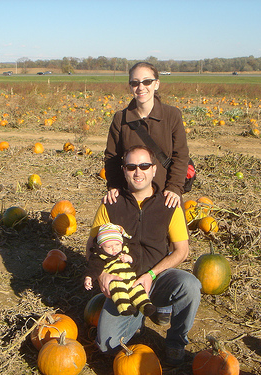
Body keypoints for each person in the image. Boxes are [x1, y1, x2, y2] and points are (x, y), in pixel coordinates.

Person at [86, 145, 201, 366]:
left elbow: (182, 251)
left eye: (144, 166)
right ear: (124, 170)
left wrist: (151, 274)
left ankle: (176, 342)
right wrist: (102, 276)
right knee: (107, 346)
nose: (138, 172)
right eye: (131, 167)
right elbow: (92, 247)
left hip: (157, 278)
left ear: (154, 169)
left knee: (190, 285)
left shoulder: (170, 205)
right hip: (124, 285)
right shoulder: (110, 204)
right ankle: (138, 316)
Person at [103, 61, 190, 209]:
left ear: (156, 84)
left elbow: (181, 156)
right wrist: (115, 186)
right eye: (135, 83)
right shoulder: (120, 118)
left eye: (147, 81)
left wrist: (174, 188)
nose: (141, 87)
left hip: (166, 196)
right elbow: (112, 157)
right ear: (130, 86)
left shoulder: (172, 115)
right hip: (131, 198)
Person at [84, 223, 156, 317]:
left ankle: (145, 306)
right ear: (101, 246)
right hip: (116, 279)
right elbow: (94, 268)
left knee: (138, 290)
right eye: (109, 247)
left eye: (117, 244)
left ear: (121, 243)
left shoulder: (126, 250)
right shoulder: (101, 257)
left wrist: (130, 258)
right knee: (118, 291)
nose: (114, 248)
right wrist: (89, 277)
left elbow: (138, 258)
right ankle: (124, 307)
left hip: (131, 279)